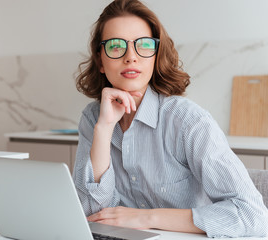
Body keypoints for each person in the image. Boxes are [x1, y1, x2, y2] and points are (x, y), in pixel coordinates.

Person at [72, 0, 268, 238]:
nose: (131, 57)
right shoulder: (93, 118)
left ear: (156, 56)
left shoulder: (188, 120)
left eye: (143, 45)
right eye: (115, 46)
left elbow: (252, 215)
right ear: (100, 60)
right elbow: (94, 217)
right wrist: (104, 129)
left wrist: (147, 217)